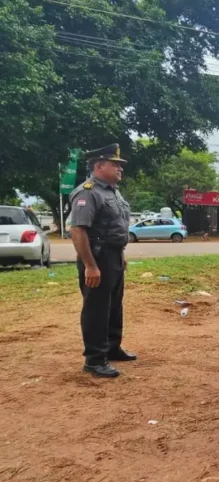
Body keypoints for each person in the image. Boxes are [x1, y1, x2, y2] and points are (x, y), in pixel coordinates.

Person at [69, 144, 135, 378]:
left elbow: (114, 227)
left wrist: (120, 254)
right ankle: (95, 359)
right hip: (97, 256)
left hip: (114, 255)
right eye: (115, 164)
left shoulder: (112, 191)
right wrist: (90, 265)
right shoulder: (88, 192)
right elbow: (78, 230)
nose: (120, 169)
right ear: (99, 166)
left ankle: (112, 348)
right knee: (97, 308)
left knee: (114, 305)